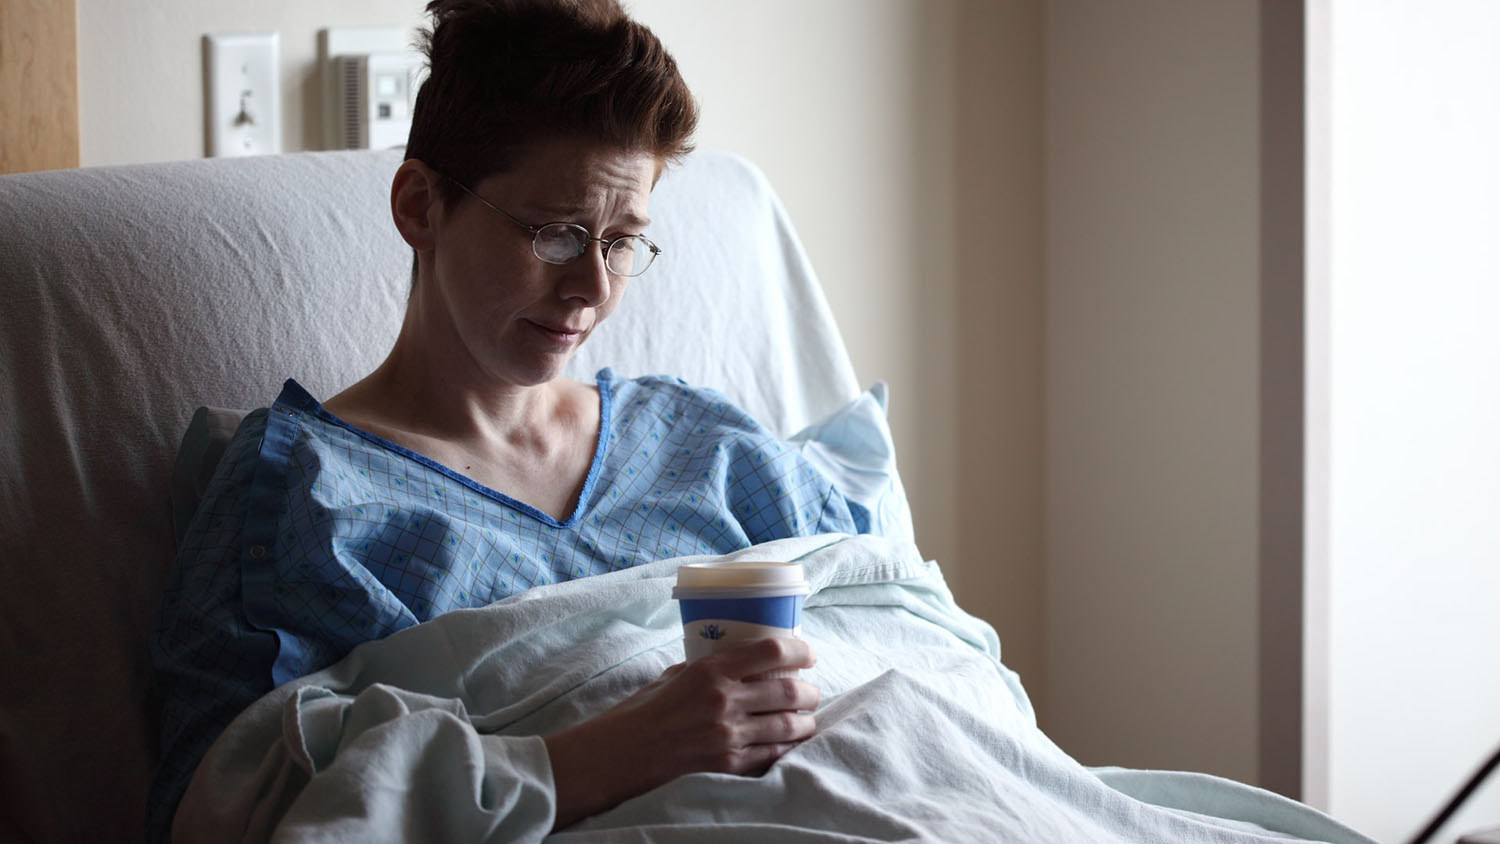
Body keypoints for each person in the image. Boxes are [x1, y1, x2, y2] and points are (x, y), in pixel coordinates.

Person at [147, 0, 875, 839]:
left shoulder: (707, 447)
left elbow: (902, 632)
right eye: (558, 235)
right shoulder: (302, 506)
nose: (594, 291)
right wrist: (605, 754)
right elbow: (221, 810)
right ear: (421, 206)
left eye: (622, 241)